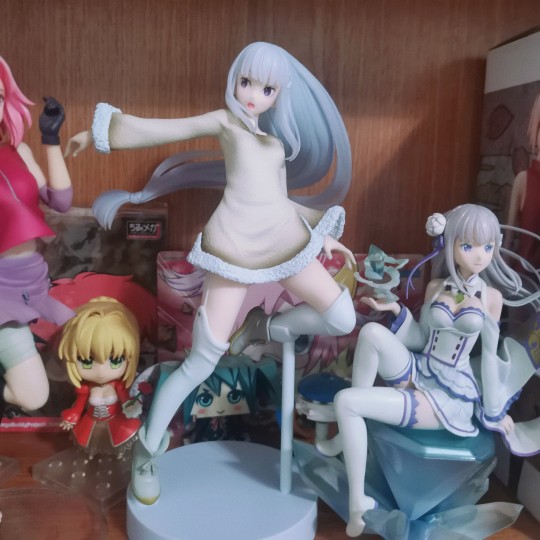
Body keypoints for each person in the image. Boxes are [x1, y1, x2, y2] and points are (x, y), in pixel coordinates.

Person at [65, 42, 356, 504]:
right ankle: (147, 452)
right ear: (233, 80)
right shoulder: (224, 122)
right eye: (246, 82)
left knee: (342, 317)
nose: (252, 95)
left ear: (279, 95)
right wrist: (97, 133)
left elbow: (278, 200)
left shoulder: (275, 144)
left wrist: (323, 234)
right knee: (201, 361)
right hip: (234, 246)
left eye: (265, 89)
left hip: (284, 239)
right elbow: (164, 129)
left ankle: (268, 327)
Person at [317, 204, 540, 537]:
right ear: (450, 245)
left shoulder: (491, 297)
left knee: (346, 402)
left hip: (448, 396)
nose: (480, 255)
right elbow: (421, 339)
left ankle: (358, 506)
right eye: (468, 246)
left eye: (488, 246)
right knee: (372, 332)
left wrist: (495, 413)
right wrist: (396, 309)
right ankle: (350, 432)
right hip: (421, 368)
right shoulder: (437, 286)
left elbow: (490, 358)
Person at [0, 56, 73, 416]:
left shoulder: (19, 151)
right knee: (33, 396)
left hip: (33, 282)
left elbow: (60, 201)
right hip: (2, 292)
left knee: (86, 335)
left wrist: (50, 139)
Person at [58, 297, 142, 458]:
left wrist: (132, 407)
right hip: (91, 421)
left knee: (118, 438)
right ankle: (91, 455)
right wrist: (71, 416)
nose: (101, 371)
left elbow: (126, 400)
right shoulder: (85, 389)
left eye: (116, 360)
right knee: (89, 442)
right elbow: (78, 406)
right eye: (86, 361)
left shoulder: (118, 386)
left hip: (115, 419)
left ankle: (118, 454)